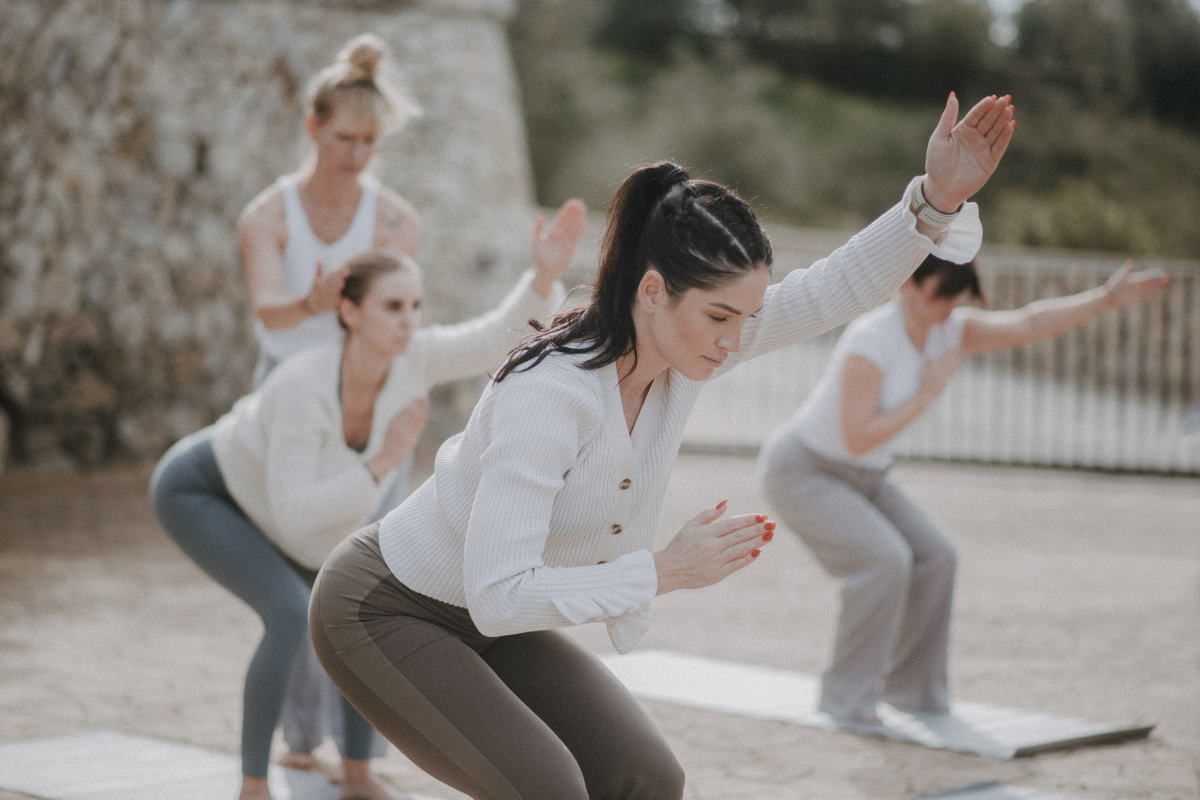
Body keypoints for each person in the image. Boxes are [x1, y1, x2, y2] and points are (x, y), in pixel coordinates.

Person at [310, 93, 1015, 799]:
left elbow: (831, 290)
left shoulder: (682, 356)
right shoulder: (547, 396)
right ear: (653, 291)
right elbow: (499, 596)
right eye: (720, 316)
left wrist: (934, 203)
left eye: (746, 317)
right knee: (549, 788)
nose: (735, 339)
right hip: (385, 608)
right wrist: (663, 570)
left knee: (647, 778)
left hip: (490, 618)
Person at [150, 201, 581, 800]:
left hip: (285, 512)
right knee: (289, 611)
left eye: (415, 307)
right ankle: (252, 787)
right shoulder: (301, 384)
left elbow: (490, 340)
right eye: (392, 306)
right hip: (205, 490)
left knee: (360, 600)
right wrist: (381, 462)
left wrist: (543, 276)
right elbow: (296, 518)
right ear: (350, 312)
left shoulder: (413, 359)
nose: (408, 321)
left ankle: (356, 775)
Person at [758, 254, 1168, 728]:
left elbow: (1027, 323)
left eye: (958, 295)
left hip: (868, 477)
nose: (949, 306)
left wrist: (1104, 301)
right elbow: (858, 436)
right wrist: (928, 392)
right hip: (804, 471)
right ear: (908, 284)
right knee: (885, 561)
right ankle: (845, 701)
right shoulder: (871, 341)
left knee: (937, 556)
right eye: (941, 294)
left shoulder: (948, 331)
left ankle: (913, 695)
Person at [235, 33, 421, 769]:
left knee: (366, 575)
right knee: (298, 575)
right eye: (345, 138)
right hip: (288, 403)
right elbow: (267, 310)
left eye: (371, 141)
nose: (358, 154)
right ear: (312, 128)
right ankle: (299, 738)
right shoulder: (269, 215)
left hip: (369, 400)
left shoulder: (396, 220)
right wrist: (310, 302)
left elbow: (401, 318)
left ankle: (361, 757)